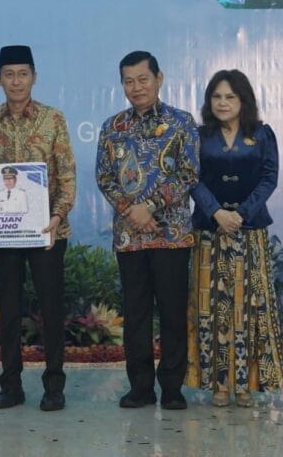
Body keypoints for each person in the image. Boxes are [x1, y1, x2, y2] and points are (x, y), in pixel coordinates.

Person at [95, 50, 199, 410]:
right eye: (129, 81)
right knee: (136, 314)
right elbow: (104, 177)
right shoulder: (112, 127)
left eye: (143, 79)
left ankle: (172, 388)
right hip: (130, 237)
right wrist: (131, 211)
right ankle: (139, 387)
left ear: (159, 78)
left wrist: (150, 206)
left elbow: (188, 173)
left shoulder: (182, 122)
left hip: (172, 235)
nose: (136, 87)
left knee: (172, 312)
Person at [0, 45, 76, 411]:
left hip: (48, 231)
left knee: (51, 310)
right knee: (9, 311)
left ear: (34, 77)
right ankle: (11, 385)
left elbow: (67, 176)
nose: (16, 81)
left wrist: (57, 217)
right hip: (4, 233)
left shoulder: (53, 119)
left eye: (22, 74)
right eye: (9, 75)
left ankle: (54, 386)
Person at [186, 69, 283, 407]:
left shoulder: (261, 134)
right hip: (209, 231)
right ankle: (218, 384)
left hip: (250, 231)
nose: (223, 103)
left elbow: (269, 178)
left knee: (249, 308)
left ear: (243, 100)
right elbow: (192, 178)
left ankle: (245, 385)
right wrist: (217, 212)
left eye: (230, 96)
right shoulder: (198, 136)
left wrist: (240, 214)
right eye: (217, 97)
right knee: (212, 310)